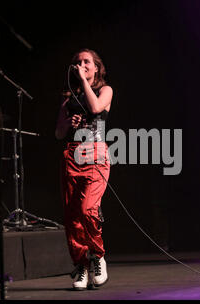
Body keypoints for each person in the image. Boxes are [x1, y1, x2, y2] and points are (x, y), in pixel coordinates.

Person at [55, 48, 113, 290]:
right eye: (78, 62)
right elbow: (58, 133)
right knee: (73, 217)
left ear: (96, 67)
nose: (82, 65)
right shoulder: (68, 100)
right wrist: (69, 122)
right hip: (72, 155)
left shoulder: (105, 90)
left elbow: (96, 108)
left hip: (96, 154)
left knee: (88, 209)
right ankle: (81, 265)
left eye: (87, 62)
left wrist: (83, 82)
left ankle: (98, 256)